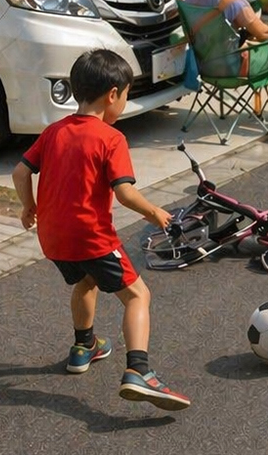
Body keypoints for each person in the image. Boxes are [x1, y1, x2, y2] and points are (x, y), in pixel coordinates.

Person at [13, 49, 190, 411]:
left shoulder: (53, 131)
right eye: (126, 95)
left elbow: (20, 171)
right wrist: (154, 211)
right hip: (90, 236)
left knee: (86, 281)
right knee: (138, 296)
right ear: (113, 94)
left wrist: (28, 206)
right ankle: (139, 370)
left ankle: (84, 346)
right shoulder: (111, 139)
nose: (123, 103)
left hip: (52, 237)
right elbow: (124, 193)